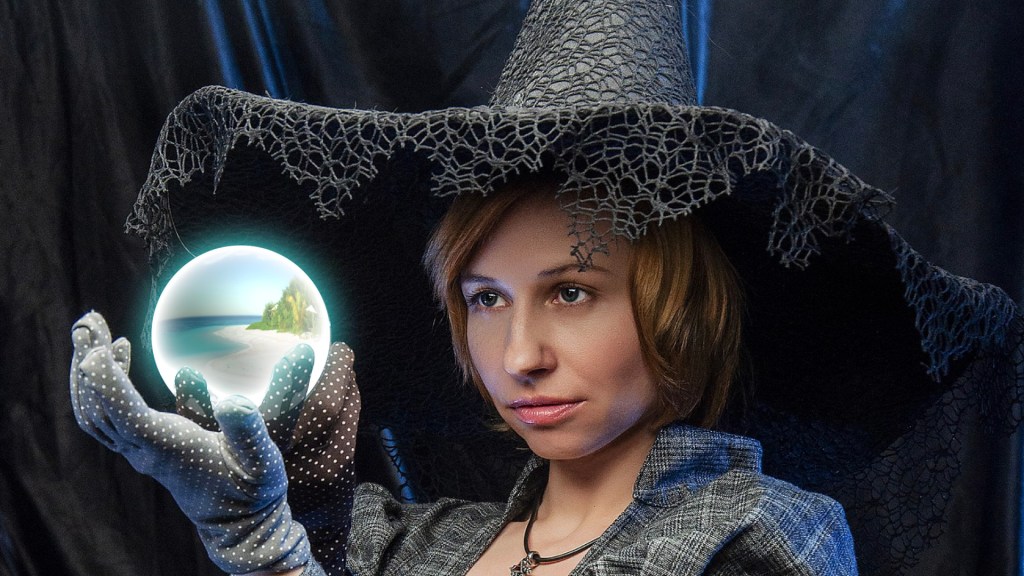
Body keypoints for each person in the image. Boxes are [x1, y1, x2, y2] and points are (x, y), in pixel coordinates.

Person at [72, 0, 1023, 574]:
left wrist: (275, 558)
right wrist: (264, 522)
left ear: (679, 307)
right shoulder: (408, 549)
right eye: (485, 298)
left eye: (571, 291)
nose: (519, 356)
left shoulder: (761, 537)